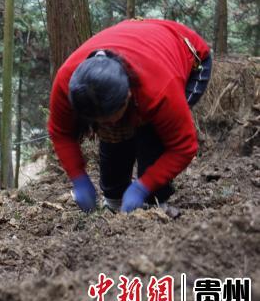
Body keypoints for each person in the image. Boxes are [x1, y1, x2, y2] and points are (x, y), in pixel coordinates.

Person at [48, 19, 211, 214]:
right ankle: (115, 196)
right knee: (114, 133)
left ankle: (154, 201)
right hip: (136, 44)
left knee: (152, 132)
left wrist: (143, 186)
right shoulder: (68, 84)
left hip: (187, 52)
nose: (106, 124)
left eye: (111, 116)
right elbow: (61, 133)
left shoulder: (160, 90)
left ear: (127, 95)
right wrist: (78, 176)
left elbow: (183, 147)